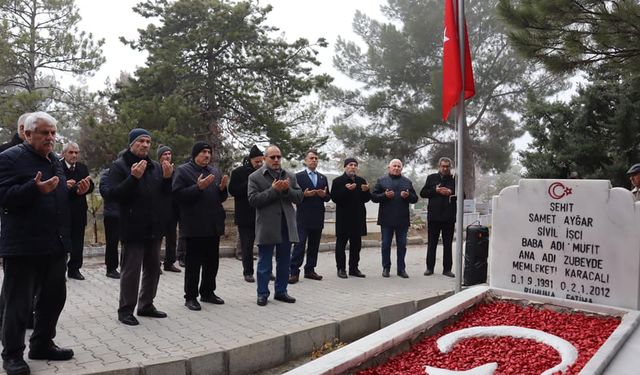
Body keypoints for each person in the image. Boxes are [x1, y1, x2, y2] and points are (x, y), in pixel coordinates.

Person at [0, 112, 84, 375]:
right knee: (19, 304)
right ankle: (12, 355)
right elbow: (3, 197)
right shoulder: (9, 159)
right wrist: (33, 189)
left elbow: (54, 197)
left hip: (55, 245)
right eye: (44, 133)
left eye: (53, 133)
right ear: (27, 134)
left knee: (54, 298)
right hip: (24, 246)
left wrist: (72, 194)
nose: (50, 138)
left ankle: (42, 344)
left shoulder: (54, 161)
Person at [107, 128, 172, 326]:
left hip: (154, 227)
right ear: (131, 143)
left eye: (148, 142)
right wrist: (133, 178)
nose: (145, 145)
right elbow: (114, 194)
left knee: (153, 269)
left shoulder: (154, 166)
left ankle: (146, 305)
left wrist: (168, 179)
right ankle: (126, 310)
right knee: (131, 271)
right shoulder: (119, 166)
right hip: (133, 227)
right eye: (140, 141)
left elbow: (164, 195)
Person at [173, 141, 228, 311]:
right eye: (203, 152)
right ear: (195, 154)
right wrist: (198, 187)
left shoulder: (214, 171)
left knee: (212, 263)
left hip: (213, 224)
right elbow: (177, 196)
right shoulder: (183, 171)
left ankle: (208, 292)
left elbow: (219, 198)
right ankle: (190, 297)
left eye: (209, 152)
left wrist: (223, 189)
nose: (207, 155)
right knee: (193, 264)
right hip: (194, 225)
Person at [248, 145, 303, 306]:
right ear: (265, 159)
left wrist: (287, 190)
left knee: (284, 261)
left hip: (286, 224)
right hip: (267, 225)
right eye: (272, 157)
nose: (276, 160)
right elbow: (253, 200)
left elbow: (299, 197)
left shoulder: (290, 176)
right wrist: (273, 190)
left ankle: (281, 292)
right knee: (265, 262)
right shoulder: (255, 177)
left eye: (279, 157)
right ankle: (262, 294)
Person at [371, 159, 418, 278]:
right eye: (394, 166)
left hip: (402, 219)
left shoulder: (407, 182)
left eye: (399, 166)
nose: (396, 168)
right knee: (386, 244)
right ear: (389, 168)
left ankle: (401, 269)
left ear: (401, 168)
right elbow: (374, 197)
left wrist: (408, 196)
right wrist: (384, 195)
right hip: (386, 219)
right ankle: (386, 268)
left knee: (402, 245)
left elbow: (415, 198)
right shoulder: (382, 181)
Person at [289, 150, 330, 283]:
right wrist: (303, 195)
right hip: (303, 217)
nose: (314, 160)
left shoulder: (323, 178)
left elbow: (328, 196)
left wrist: (324, 196)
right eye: (311, 158)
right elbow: (293, 197)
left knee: (314, 245)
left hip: (317, 216)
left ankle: (310, 270)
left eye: (316, 158)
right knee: (299, 245)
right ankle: (294, 272)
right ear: (306, 161)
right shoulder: (298, 177)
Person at [330, 157, 370, 278]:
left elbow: (366, 199)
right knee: (341, 245)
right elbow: (335, 198)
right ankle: (341, 269)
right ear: (345, 167)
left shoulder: (361, 180)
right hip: (344, 219)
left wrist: (366, 191)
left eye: (355, 165)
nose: (353, 167)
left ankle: (354, 268)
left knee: (356, 245)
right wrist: (346, 190)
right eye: (350, 164)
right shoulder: (338, 181)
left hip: (358, 218)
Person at [229, 145, 264, 283]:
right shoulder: (238, 172)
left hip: (262, 215)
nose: (259, 164)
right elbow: (233, 190)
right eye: (257, 161)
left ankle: (265, 269)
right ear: (250, 160)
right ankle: (248, 272)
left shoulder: (264, 172)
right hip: (245, 216)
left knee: (265, 245)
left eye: (261, 161)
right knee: (247, 246)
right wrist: (250, 180)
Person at [61, 142, 94, 280]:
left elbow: (90, 185)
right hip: (63, 211)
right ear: (64, 153)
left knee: (78, 242)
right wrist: (73, 189)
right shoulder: (57, 167)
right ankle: (59, 271)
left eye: (76, 152)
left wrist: (87, 188)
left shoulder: (82, 168)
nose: (74, 155)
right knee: (62, 242)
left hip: (79, 211)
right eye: (71, 152)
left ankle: (74, 269)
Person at [420, 157, 457, 278]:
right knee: (432, 243)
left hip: (448, 217)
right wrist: (435, 191)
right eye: (443, 166)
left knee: (448, 244)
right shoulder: (431, 178)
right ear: (439, 166)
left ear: (450, 167)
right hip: (434, 217)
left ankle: (447, 269)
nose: (445, 168)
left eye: (447, 166)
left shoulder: (455, 179)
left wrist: (450, 192)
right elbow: (423, 193)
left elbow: (463, 195)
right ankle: (429, 268)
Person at [157, 144, 180, 273]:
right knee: (158, 238)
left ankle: (169, 262)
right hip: (159, 210)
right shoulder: (155, 170)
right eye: (164, 154)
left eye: (169, 154)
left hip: (173, 210)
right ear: (160, 157)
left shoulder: (175, 171)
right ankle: (156, 264)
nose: (167, 156)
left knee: (172, 238)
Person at [99, 167, 121, 279]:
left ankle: (125, 266)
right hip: (112, 214)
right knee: (112, 243)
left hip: (127, 214)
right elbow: (105, 192)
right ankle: (111, 268)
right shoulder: (107, 174)